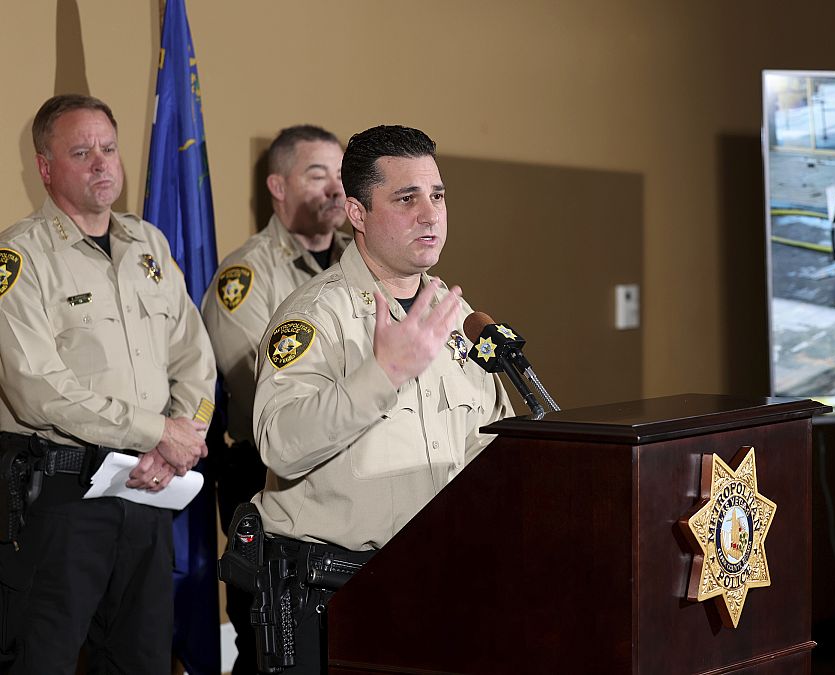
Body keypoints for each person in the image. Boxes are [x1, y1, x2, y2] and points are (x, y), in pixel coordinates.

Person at [247, 124, 513, 672]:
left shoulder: (457, 317)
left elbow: (495, 446)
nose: (430, 214)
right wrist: (383, 375)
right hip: (335, 594)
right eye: (406, 198)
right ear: (358, 213)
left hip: (440, 586)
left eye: (438, 195)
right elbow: (280, 445)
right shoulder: (314, 316)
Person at [0, 94, 216, 673]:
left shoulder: (150, 244)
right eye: (81, 152)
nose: (101, 163)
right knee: (40, 661)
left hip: (148, 491)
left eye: (109, 148)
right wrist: (156, 433)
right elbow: (37, 389)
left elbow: (195, 356)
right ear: (45, 168)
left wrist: (181, 438)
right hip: (61, 500)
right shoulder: (19, 257)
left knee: (142, 662)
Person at [200, 124, 350, 675]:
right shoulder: (247, 275)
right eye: (317, 175)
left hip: (346, 477)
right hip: (266, 479)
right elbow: (262, 389)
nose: (335, 189)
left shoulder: (357, 264)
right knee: (269, 643)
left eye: (341, 175)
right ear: (278, 187)